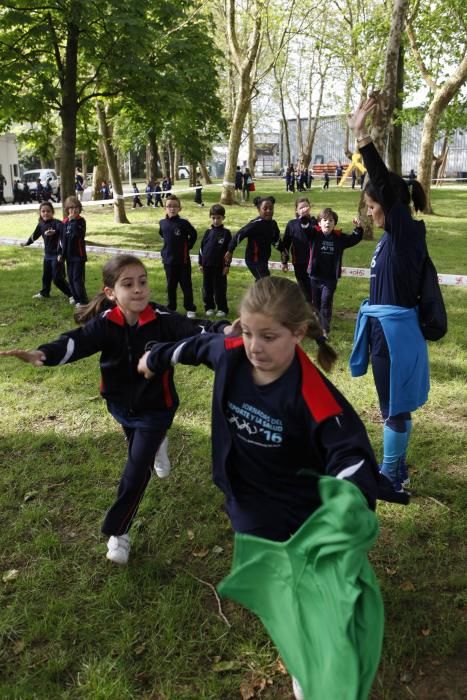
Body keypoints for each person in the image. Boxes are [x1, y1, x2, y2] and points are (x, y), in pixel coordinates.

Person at [137, 276, 384, 700]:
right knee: (280, 589)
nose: (255, 346)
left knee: (313, 586)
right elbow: (194, 347)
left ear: (298, 334)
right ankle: (302, 658)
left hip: (300, 509)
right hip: (247, 499)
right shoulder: (231, 353)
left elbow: (352, 457)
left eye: (269, 337)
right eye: (248, 332)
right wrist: (154, 358)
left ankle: (316, 648)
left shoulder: (313, 395)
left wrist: (349, 500)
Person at [0, 255, 229, 565]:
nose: (138, 290)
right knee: (140, 451)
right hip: (119, 407)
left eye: (143, 282)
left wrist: (226, 331)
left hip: (156, 410)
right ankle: (156, 446)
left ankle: (118, 532)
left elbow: (196, 330)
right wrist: (43, 353)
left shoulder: (161, 319)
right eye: (128, 284)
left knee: (136, 471)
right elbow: (75, 343)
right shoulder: (106, 324)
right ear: (110, 292)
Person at [347, 95, 430, 493]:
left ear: (387, 205)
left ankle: (392, 475)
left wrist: (361, 136)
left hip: (394, 337)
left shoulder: (404, 231)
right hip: (385, 332)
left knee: (392, 408)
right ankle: (397, 469)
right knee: (394, 405)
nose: (370, 212)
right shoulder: (390, 239)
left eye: (372, 206)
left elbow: (382, 181)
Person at [309, 207, 363, 336]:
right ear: (319, 223)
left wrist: (358, 228)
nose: (328, 223)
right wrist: (305, 218)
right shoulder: (314, 235)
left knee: (326, 302)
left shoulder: (339, 238)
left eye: (331, 220)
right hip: (315, 276)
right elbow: (303, 229)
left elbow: (353, 239)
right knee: (315, 303)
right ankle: (316, 323)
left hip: (330, 278)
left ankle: (324, 329)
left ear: (335, 223)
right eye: (325, 220)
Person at [21, 202, 72, 301]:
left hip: (57, 256)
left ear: (52, 212)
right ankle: (45, 292)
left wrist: (61, 253)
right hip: (47, 255)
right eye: (43, 211)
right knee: (46, 276)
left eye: (48, 211)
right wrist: (26, 243)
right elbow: (34, 235)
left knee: (57, 278)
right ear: (40, 213)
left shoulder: (58, 223)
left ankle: (72, 294)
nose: (45, 213)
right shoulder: (41, 224)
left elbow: (63, 238)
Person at [159, 194, 197, 318]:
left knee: (186, 284)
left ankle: (190, 308)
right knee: (171, 285)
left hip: (183, 261)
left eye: (175, 206)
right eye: (169, 206)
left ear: (180, 208)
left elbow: (194, 234)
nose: (172, 209)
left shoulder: (184, 223)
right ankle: (171, 307)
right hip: (168, 261)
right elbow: (162, 235)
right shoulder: (162, 223)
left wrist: (188, 246)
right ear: (165, 208)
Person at [224, 196, 280, 281]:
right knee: (265, 281)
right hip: (253, 260)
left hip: (264, 259)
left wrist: (283, 250)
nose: (268, 211)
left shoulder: (273, 224)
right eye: (265, 209)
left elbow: (276, 240)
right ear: (259, 210)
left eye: (271, 208)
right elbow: (239, 235)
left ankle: (256, 294)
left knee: (261, 281)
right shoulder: (255, 224)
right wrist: (230, 250)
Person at [279, 197, 317, 303]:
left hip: (313, 261)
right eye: (301, 207)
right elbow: (285, 244)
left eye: (306, 206)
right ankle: (306, 307)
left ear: (310, 207)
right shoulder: (292, 224)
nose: (304, 209)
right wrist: (284, 261)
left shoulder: (314, 222)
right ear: (296, 210)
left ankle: (315, 307)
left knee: (314, 286)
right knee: (303, 287)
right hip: (298, 261)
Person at [198, 204, 232, 317]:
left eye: (218, 218)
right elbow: (202, 249)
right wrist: (200, 263)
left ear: (223, 218)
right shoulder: (207, 232)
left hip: (220, 266)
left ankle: (222, 308)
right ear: (210, 217)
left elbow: (229, 251)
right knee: (207, 288)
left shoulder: (226, 233)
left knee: (220, 289)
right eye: (213, 218)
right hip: (207, 265)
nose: (216, 220)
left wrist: (227, 265)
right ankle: (209, 307)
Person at [58, 195, 88, 307]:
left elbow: (79, 234)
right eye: (71, 208)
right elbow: (61, 240)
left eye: (76, 207)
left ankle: (82, 300)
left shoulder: (81, 221)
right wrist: (60, 253)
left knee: (77, 279)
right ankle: (75, 298)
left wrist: (73, 222)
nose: (73, 210)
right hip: (68, 256)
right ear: (67, 210)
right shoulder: (64, 223)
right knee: (70, 278)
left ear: (79, 208)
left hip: (78, 256)